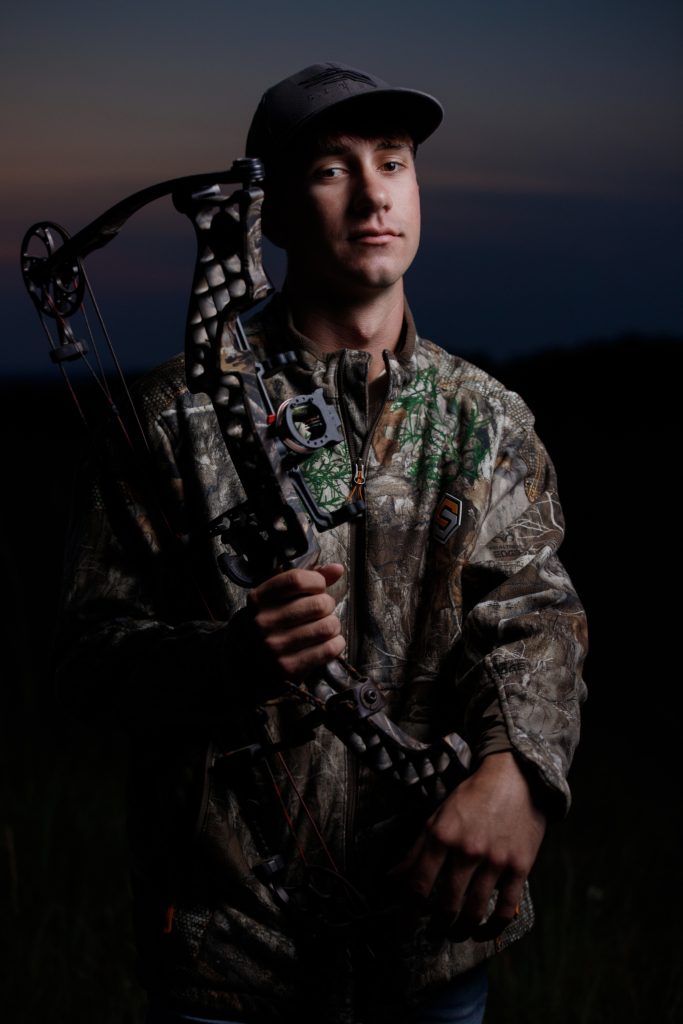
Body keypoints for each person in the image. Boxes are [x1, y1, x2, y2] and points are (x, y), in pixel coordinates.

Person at [56, 63, 588, 1024]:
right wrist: (225, 662)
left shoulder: (485, 419)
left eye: (394, 163)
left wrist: (517, 775)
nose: (376, 191)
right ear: (268, 215)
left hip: (429, 940)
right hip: (227, 954)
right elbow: (87, 659)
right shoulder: (171, 415)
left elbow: (536, 620)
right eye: (333, 169)